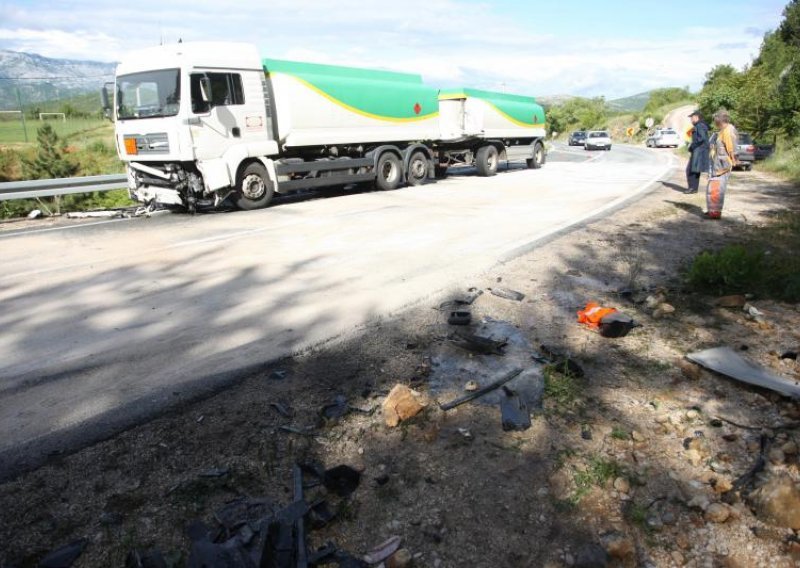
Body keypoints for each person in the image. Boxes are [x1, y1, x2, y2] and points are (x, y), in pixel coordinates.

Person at [705, 110, 738, 219]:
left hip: (722, 166)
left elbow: (731, 149)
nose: (714, 123)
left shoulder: (728, 131)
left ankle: (715, 213)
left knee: (716, 190)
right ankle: (712, 211)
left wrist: (733, 160)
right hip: (718, 165)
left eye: (715, 121)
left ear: (720, 121)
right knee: (714, 189)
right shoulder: (723, 130)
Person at [685, 110, 709, 194]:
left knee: (690, 170)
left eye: (691, 117)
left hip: (698, 150)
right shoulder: (700, 125)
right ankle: (694, 188)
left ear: (696, 117)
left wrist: (692, 146)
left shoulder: (699, 126)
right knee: (695, 170)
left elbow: (701, 138)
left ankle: (692, 188)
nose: (691, 119)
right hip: (699, 150)